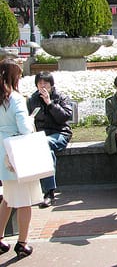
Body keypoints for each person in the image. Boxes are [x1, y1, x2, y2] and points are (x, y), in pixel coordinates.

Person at [0, 59, 43, 258]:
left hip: (2, 152)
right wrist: (30, 120)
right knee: (24, 201)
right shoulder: (15, 98)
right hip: (17, 153)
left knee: (7, 199)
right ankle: (22, 243)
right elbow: (24, 128)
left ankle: (0, 239)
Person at [27, 71, 73, 209]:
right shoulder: (32, 100)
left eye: (45, 83)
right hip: (40, 137)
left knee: (44, 144)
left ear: (51, 85)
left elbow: (65, 117)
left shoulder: (60, 97)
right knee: (45, 149)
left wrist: (50, 103)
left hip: (60, 133)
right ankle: (44, 191)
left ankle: (48, 192)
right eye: (39, 83)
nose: (42, 86)